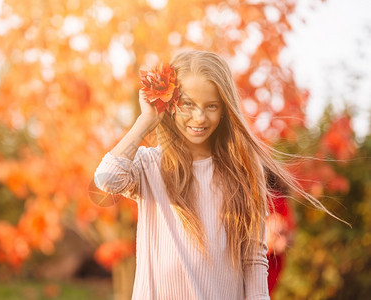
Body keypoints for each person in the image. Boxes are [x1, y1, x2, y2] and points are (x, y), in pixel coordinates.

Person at [92, 49, 342, 300]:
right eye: (188, 104)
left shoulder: (243, 173)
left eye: (211, 106)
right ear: (170, 106)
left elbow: (254, 261)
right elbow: (107, 178)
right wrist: (146, 119)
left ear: (224, 109)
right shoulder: (149, 165)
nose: (199, 117)